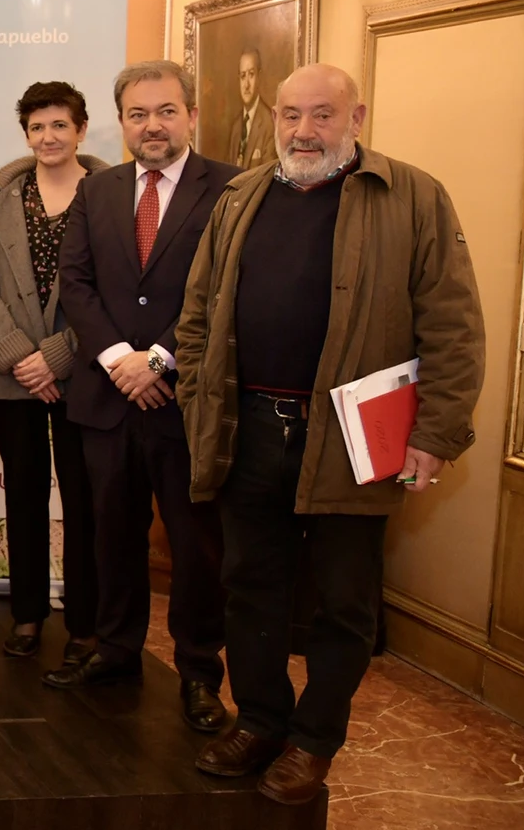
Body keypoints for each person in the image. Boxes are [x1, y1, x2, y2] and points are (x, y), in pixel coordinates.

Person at [178, 63, 484, 805]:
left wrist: (436, 431)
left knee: (345, 600)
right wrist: (196, 399)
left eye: (321, 114)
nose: (303, 131)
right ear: (273, 119)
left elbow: (454, 326)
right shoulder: (242, 196)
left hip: (355, 438)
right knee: (249, 586)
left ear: (357, 116)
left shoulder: (411, 196)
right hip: (249, 428)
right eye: (290, 115)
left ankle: (315, 740)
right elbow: (197, 315)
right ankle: (258, 720)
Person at [45, 59, 240, 737]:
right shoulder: (97, 190)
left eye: (165, 111)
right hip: (106, 397)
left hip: (184, 401)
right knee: (110, 533)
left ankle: (197, 673)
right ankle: (116, 649)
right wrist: (117, 360)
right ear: (120, 121)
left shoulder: (233, 190)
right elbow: (76, 282)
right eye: (138, 113)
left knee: (195, 546)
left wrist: (158, 358)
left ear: (190, 115)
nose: (151, 124)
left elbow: (225, 291)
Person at [0, 82, 109, 662]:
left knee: (83, 500)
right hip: (11, 376)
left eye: (59, 125)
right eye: (36, 127)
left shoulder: (110, 195)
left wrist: (53, 359)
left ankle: (84, 624)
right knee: (22, 494)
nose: (48, 137)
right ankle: (26, 615)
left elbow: (112, 290)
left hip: (84, 373)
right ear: (25, 134)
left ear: (80, 128)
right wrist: (18, 358)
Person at [227, 48, 274, 169]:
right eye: (243, 76)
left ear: (259, 77)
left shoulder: (270, 124)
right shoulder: (236, 126)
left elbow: (268, 178)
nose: (246, 85)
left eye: (251, 75)